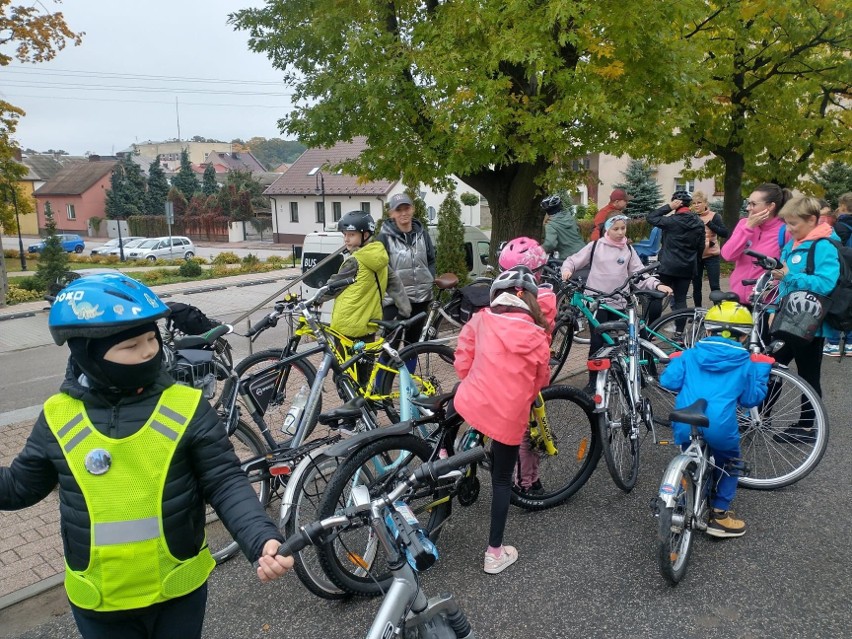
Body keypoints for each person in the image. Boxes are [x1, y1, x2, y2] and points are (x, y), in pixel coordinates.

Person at [0, 273, 292, 639]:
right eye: (131, 345)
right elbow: (20, 487)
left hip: (177, 595)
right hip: (99, 603)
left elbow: (225, 482)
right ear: (87, 353)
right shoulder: (58, 416)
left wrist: (261, 538)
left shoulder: (187, 407)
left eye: (151, 338)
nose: (148, 352)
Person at [453, 267, 551, 574]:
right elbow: (540, 381)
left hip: (473, 399)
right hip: (508, 417)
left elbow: (462, 359)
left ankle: (444, 454)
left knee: (455, 402)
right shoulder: (538, 336)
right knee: (500, 480)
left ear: (496, 296)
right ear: (532, 303)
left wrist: (475, 381)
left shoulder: (481, 319)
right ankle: (494, 553)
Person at [660, 300, 774, 538]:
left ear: (708, 330)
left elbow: (668, 382)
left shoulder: (689, 355)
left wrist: (677, 360)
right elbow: (751, 399)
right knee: (729, 461)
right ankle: (719, 515)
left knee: (688, 454)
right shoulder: (746, 363)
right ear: (744, 337)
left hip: (684, 419)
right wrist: (761, 372)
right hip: (720, 425)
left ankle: (685, 495)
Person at [561, 215, 672, 392]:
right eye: (616, 229)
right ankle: (594, 381)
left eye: (623, 228)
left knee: (639, 337)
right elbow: (573, 261)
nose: (621, 232)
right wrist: (567, 270)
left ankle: (644, 375)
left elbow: (639, 274)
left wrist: (657, 284)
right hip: (598, 302)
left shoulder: (628, 249)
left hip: (621, 302)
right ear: (607, 230)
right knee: (598, 344)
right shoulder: (596, 246)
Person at [770, 196, 840, 440]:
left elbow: (825, 283)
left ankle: (808, 427)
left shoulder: (823, 246)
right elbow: (785, 281)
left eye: (793, 224)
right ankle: (761, 415)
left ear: (812, 220)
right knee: (771, 364)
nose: (788, 229)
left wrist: (789, 277)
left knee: (806, 373)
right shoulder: (797, 242)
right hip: (792, 318)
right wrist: (774, 310)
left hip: (811, 324)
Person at [496, 237, 557, 495]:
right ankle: (527, 483)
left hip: (495, 373)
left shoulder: (498, 296)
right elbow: (543, 342)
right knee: (526, 433)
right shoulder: (544, 299)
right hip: (524, 378)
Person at [323, 210, 411, 383]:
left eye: (351, 234)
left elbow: (333, 286)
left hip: (346, 329)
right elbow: (395, 285)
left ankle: (356, 409)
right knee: (363, 376)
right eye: (345, 235)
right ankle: (365, 407)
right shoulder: (379, 257)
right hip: (367, 327)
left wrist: (315, 300)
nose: (346, 239)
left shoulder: (354, 261)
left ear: (365, 235)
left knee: (343, 377)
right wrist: (405, 309)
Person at [377, 193, 436, 345]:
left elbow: (431, 259)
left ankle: (409, 370)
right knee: (390, 347)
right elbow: (379, 269)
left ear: (413, 209)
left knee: (413, 346)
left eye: (406, 208)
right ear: (392, 214)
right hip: (394, 303)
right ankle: (387, 371)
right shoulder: (384, 238)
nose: (403, 213)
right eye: (399, 210)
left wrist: (429, 277)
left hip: (420, 299)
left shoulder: (422, 234)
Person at [720, 183, 791, 304]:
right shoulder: (744, 224)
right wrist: (748, 228)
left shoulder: (785, 231)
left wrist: (767, 289)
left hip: (766, 304)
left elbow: (788, 269)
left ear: (770, 206)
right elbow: (727, 255)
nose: (748, 208)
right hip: (738, 299)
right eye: (748, 203)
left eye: (753, 204)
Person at [647, 191, 706, 334]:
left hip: (667, 265)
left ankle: (651, 330)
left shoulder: (671, 221)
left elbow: (651, 217)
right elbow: (701, 246)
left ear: (676, 204)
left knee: (657, 296)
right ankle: (679, 332)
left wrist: (668, 206)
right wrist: (694, 261)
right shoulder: (698, 222)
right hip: (686, 266)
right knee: (680, 299)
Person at [824, 192, 852, 356]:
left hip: (841, 271)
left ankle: (833, 343)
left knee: (837, 305)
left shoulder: (840, 226)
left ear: (843, 207)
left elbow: (835, 247)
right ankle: (850, 343)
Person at [691, 191, 730, 307]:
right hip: (696, 256)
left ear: (705, 203)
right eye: (694, 203)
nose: (696, 205)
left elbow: (724, 233)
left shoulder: (714, 216)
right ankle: (698, 312)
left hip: (712, 256)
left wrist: (709, 223)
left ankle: (718, 312)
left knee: (715, 286)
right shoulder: (691, 217)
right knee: (696, 287)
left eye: (699, 202)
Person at [540, 194, 585, 260]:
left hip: (569, 258)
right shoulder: (570, 218)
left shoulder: (551, 225)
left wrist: (537, 251)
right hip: (585, 251)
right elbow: (579, 233)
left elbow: (550, 244)